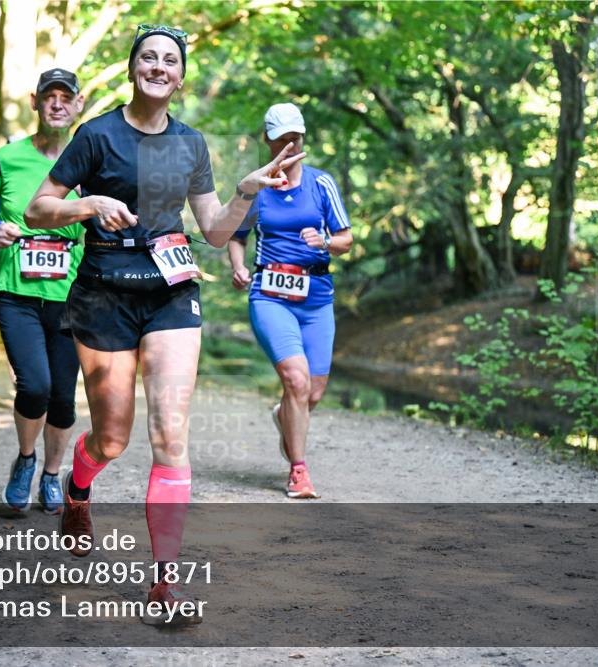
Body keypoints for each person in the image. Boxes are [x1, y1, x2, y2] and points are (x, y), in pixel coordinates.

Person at [25, 25, 304, 621]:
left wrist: (244, 193)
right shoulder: (96, 135)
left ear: (180, 78)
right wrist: (89, 203)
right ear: (133, 69)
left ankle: (165, 584)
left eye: (170, 60)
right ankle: (79, 485)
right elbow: (38, 208)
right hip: (103, 294)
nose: (158, 66)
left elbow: (215, 232)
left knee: (171, 436)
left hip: (170, 293)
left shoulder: (190, 143)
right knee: (113, 438)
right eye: (148, 57)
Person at [0, 68, 86, 515]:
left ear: (78, 105)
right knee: (34, 385)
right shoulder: (8, 157)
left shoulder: (89, 161)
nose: (57, 104)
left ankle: (52, 475)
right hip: (16, 291)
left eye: (66, 97)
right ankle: (26, 459)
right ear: (35, 102)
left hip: (72, 296)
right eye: (49, 96)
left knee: (63, 396)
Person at [227, 103, 353, 499]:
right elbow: (236, 237)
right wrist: (238, 267)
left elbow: (346, 239)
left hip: (316, 297)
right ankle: (299, 471)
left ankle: (284, 415)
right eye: (281, 138)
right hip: (270, 295)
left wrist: (325, 241)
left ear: (303, 137)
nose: (289, 144)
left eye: (294, 137)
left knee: (312, 392)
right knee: (296, 379)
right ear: (267, 140)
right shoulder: (256, 188)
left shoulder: (321, 184)